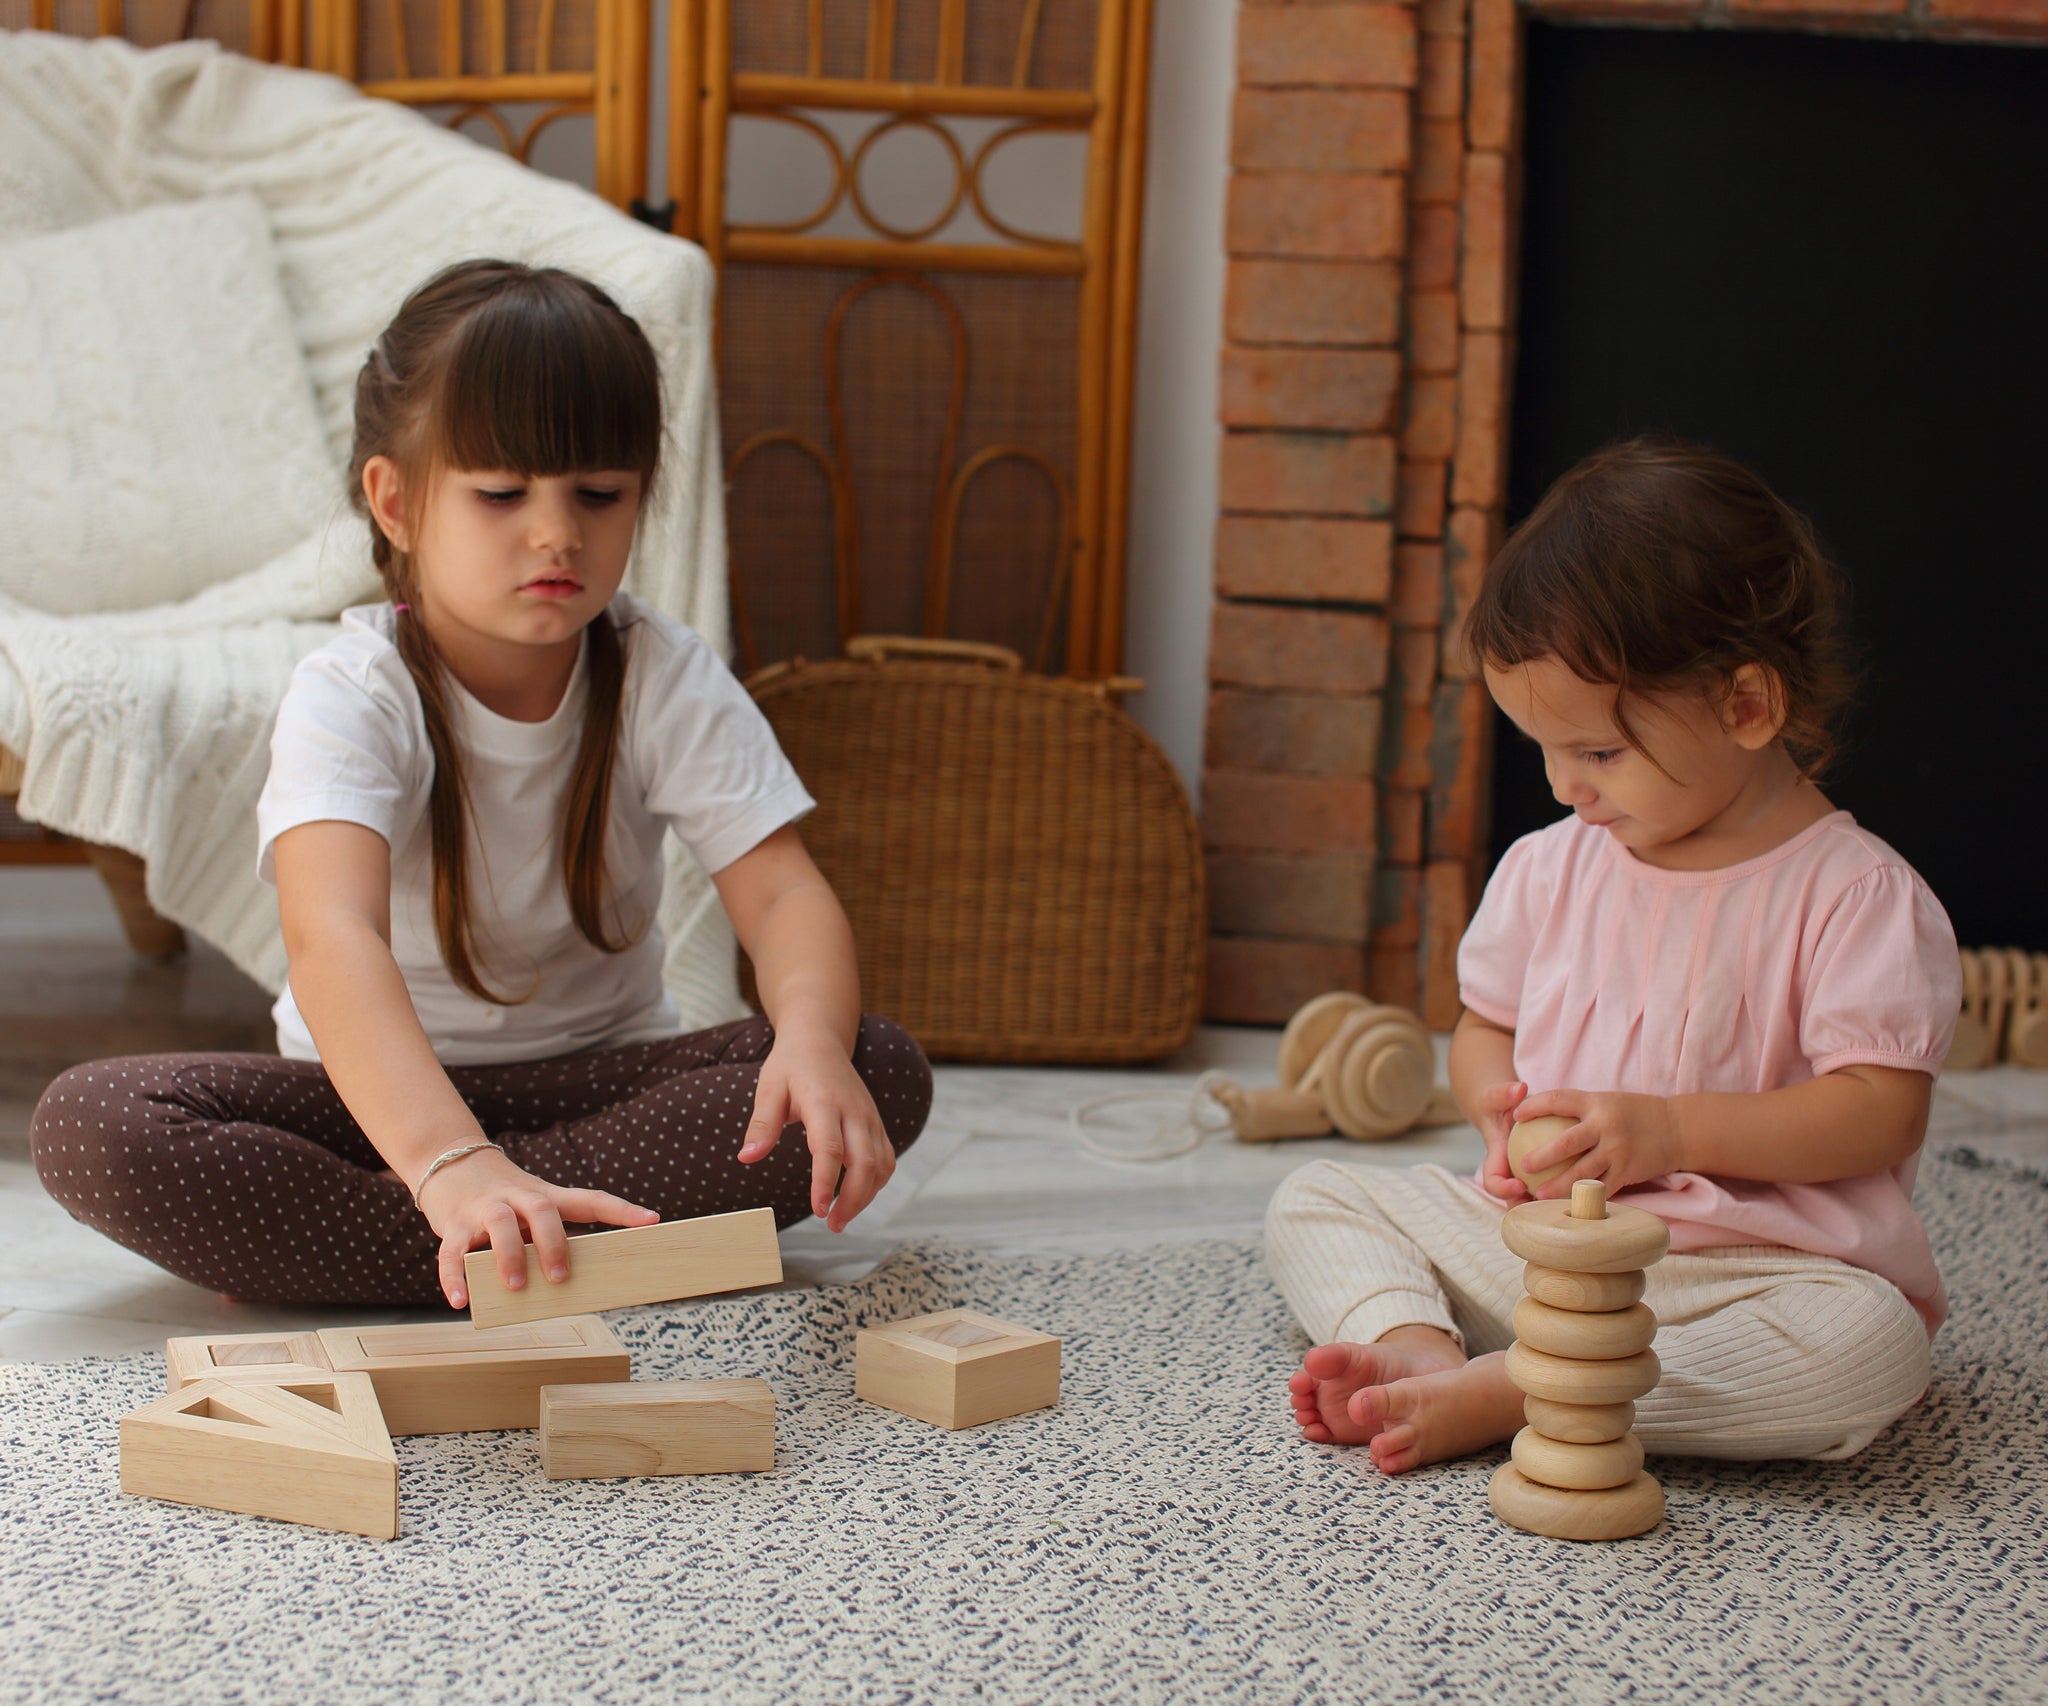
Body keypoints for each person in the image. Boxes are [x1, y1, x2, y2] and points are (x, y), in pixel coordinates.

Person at [31, 260, 931, 1310]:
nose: (556, 533)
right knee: (93, 1121)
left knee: (872, 1062)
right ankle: (503, 1224)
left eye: (598, 494)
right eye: (501, 493)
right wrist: (448, 1156)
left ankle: (427, 1248)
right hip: (373, 1108)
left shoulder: (658, 671)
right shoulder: (350, 691)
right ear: (397, 501)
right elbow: (334, 938)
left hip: (600, 1083)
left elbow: (779, 893)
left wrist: (813, 1048)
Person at [1266, 436, 1959, 1472]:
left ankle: (1521, 1386)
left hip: (1746, 1275)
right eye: (1541, 748)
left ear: (1746, 705)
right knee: (1316, 1195)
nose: (1562, 786)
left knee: (1864, 1352)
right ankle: (1419, 1349)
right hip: (1543, 1247)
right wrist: (1494, 1104)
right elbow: (1483, 1027)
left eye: (1596, 751)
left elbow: (1877, 1109)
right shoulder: (1553, 867)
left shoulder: (1854, 895)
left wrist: (1670, 1130)